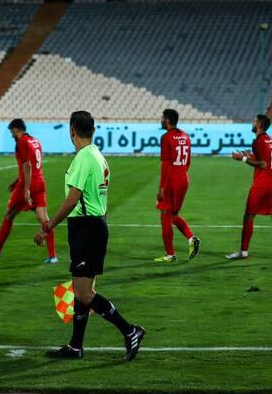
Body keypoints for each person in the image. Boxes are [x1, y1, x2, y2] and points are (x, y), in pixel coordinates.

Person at [35, 111, 145, 361]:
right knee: (80, 289)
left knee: (84, 292)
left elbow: (73, 198)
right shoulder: (97, 155)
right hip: (94, 225)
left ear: (71, 130)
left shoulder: (84, 157)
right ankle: (75, 346)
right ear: (93, 130)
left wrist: (48, 225)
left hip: (86, 228)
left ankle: (130, 331)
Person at [0, 119, 57, 263]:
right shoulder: (35, 141)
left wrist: (26, 189)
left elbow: (27, 165)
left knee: (9, 215)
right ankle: (52, 256)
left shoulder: (21, 142)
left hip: (27, 184)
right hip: (40, 181)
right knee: (44, 219)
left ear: (16, 130)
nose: (11, 135)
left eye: (11, 132)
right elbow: (33, 164)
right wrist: (17, 180)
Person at [228, 114, 272, 262]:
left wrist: (243, 158)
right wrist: (250, 156)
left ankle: (244, 252)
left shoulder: (258, 140)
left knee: (248, 216)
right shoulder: (270, 140)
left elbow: (263, 164)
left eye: (254, 122)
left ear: (259, 125)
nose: (252, 124)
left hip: (262, 184)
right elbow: (264, 159)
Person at [154, 109, 201, 263]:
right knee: (173, 215)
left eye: (162, 118)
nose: (161, 120)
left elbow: (166, 165)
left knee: (165, 215)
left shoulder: (166, 137)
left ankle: (170, 254)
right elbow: (188, 162)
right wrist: (180, 175)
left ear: (167, 120)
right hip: (183, 179)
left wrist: (162, 188)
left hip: (171, 181)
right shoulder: (185, 136)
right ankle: (191, 238)